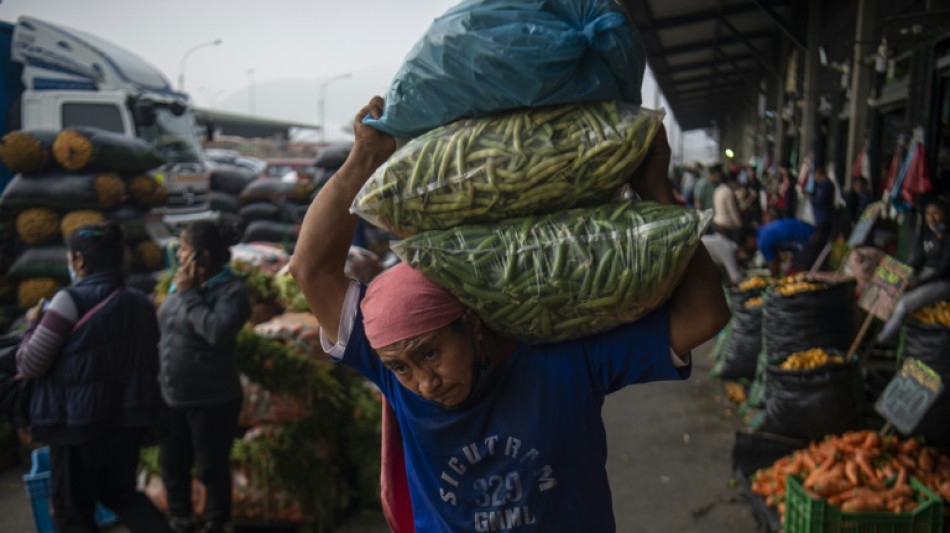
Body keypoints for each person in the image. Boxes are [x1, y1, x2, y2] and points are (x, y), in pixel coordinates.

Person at [289, 97, 730, 532]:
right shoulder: (391, 368)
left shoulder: (563, 361)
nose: (425, 383)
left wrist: (655, 192)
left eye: (430, 353)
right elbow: (309, 269)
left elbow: (706, 315)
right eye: (402, 367)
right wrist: (365, 155)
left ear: (473, 325)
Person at [16, 222, 172, 533]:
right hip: (125, 422)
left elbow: (31, 363)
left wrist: (33, 325)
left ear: (80, 261)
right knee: (123, 496)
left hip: (78, 427)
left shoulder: (69, 301)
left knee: (73, 513)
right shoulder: (141, 303)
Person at [158, 220, 251, 533]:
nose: (179, 255)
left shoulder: (233, 290)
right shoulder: (179, 284)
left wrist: (190, 295)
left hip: (213, 399)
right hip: (172, 396)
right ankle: (181, 519)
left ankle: (217, 521)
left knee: (211, 468)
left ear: (204, 254)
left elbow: (216, 331)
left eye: (184, 248)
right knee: (172, 466)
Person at [876, 199, 950, 346]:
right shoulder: (929, 235)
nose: (931, 217)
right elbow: (917, 261)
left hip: (942, 282)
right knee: (890, 291)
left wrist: (918, 283)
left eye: (935, 213)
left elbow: (944, 269)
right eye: (928, 213)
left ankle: (881, 340)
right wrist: (900, 275)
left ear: (945, 215)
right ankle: (888, 333)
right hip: (925, 276)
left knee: (904, 304)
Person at [712, 173, 743, 240]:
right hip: (726, 224)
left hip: (717, 222)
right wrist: (739, 225)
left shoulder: (717, 190)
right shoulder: (728, 191)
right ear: (731, 182)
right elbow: (732, 210)